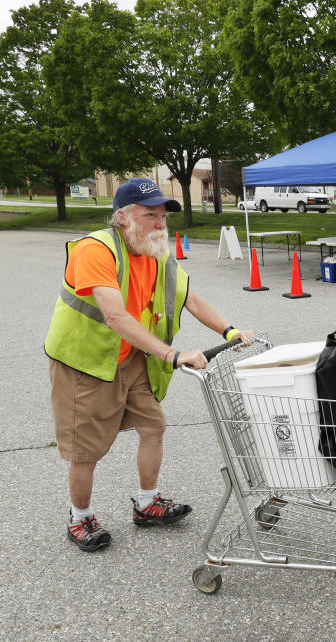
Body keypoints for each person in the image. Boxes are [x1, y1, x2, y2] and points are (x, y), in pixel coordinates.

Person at [44, 177, 254, 552]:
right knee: (85, 450)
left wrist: (230, 330)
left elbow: (192, 300)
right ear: (122, 217)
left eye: (163, 217)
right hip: (86, 363)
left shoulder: (157, 254)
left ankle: (147, 503)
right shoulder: (96, 250)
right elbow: (115, 316)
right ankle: (81, 517)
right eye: (150, 216)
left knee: (154, 427)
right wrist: (173, 355)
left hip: (131, 359)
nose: (160, 225)